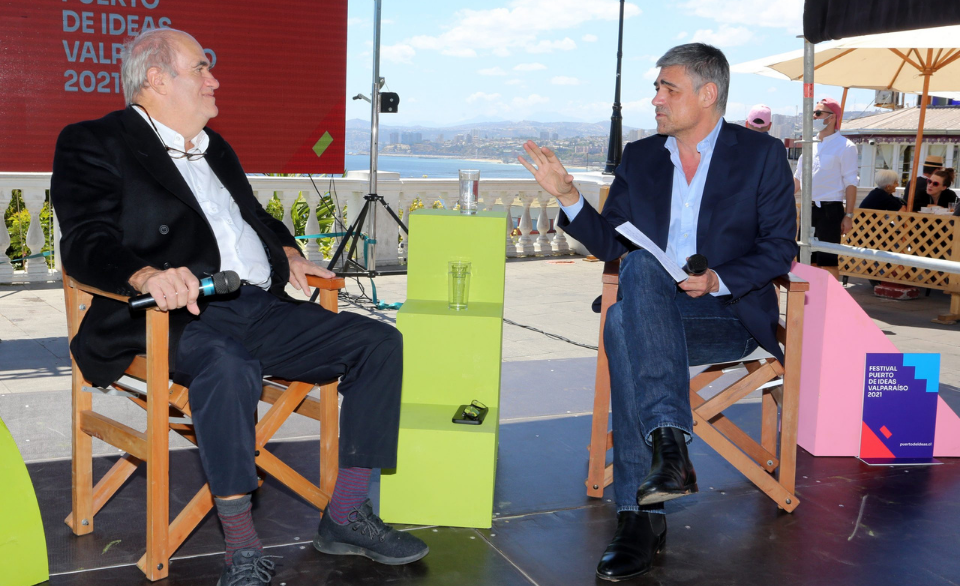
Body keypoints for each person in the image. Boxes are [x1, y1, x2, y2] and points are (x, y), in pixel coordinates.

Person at [50, 28, 427, 586]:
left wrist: (290, 252)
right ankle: (242, 546)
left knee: (377, 342)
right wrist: (148, 275)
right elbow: (85, 240)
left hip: (256, 304)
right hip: (170, 315)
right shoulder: (95, 141)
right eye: (201, 68)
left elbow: (249, 214)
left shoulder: (213, 147)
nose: (214, 78)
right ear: (157, 80)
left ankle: (346, 512)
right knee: (229, 365)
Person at [518, 43, 796, 581]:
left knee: (624, 327)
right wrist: (571, 196)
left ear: (708, 94)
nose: (655, 99)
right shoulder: (643, 158)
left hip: (725, 315)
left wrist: (717, 278)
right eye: (657, 88)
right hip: (652, 307)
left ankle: (640, 515)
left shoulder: (759, 155)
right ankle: (665, 456)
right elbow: (612, 242)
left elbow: (779, 245)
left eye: (668, 88)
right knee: (639, 278)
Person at [793, 96, 858, 278]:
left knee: (828, 262)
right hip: (808, 209)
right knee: (806, 259)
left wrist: (849, 215)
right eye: (814, 113)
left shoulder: (846, 147)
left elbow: (851, 183)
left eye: (818, 113)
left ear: (832, 117)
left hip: (831, 210)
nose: (814, 116)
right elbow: (797, 179)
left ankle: (830, 304)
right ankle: (811, 303)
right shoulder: (809, 144)